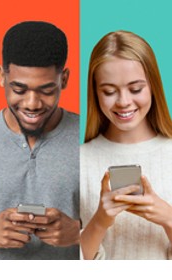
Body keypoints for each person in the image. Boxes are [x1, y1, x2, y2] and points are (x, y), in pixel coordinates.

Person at [0, 21, 81, 260]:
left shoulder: (88, 136)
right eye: (19, 89)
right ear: (1, 77)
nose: (32, 104)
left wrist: (81, 229)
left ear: (65, 79)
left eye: (46, 90)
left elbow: (124, 221)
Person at [79, 30, 172, 260]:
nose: (123, 102)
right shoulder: (77, 161)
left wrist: (168, 218)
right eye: (109, 91)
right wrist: (99, 221)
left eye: (135, 89)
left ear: (153, 86)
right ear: (95, 93)